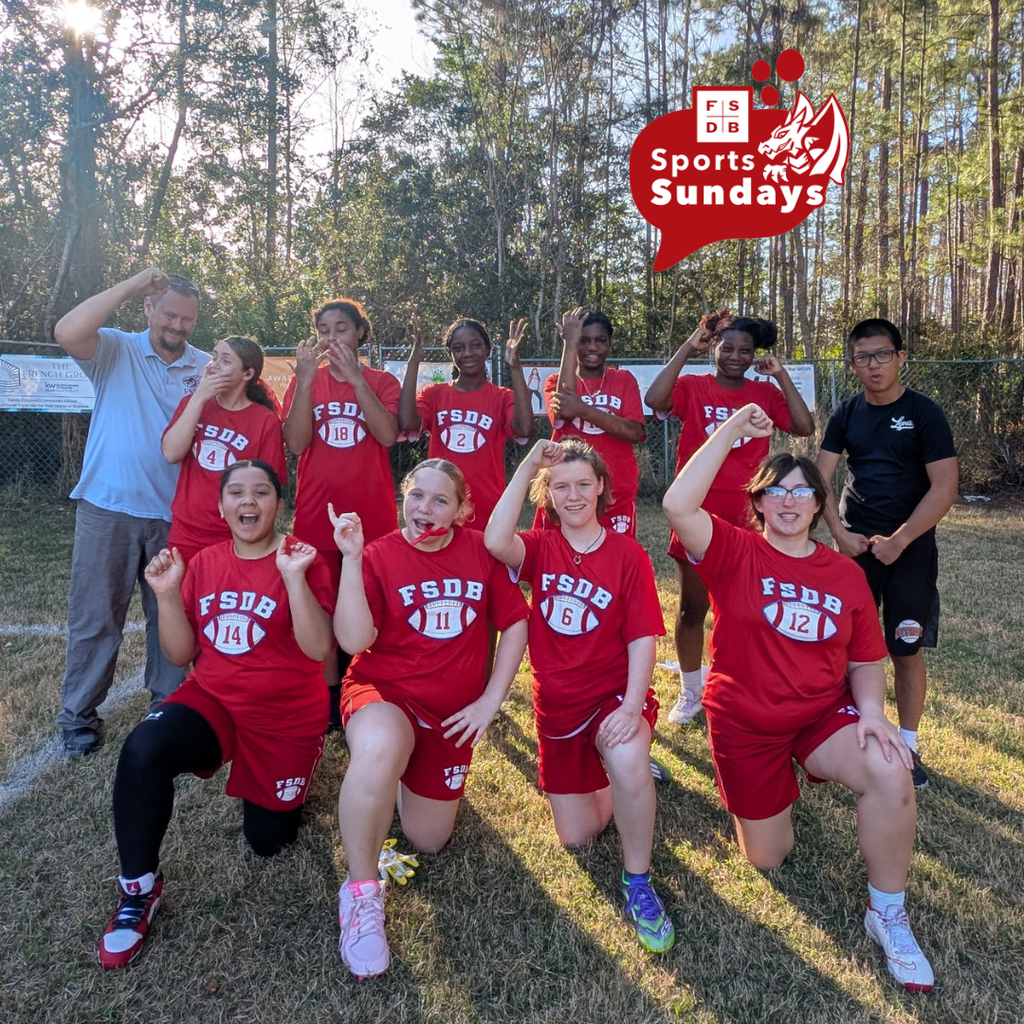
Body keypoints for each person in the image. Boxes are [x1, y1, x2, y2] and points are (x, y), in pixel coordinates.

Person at [663, 404, 933, 993]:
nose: (790, 501)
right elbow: (678, 505)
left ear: (818, 505)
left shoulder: (843, 574)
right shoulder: (733, 551)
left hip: (819, 715)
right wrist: (734, 428)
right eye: (777, 492)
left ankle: (886, 912)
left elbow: (864, 659)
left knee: (890, 768)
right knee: (767, 858)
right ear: (759, 502)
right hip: (745, 723)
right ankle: (769, 790)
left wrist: (872, 714)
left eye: (803, 492)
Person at [96, 460, 335, 969]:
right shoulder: (203, 563)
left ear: (279, 501)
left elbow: (318, 651)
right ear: (221, 504)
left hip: (285, 718)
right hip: (215, 701)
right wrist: (165, 596)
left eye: (262, 492)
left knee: (269, 841)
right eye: (237, 493)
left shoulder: (304, 559)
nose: (248, 502)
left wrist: (292, 579)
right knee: (144, 747)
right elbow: (181, 656)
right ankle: (138, 889)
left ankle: (292, 779)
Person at [330, 459, 529, 979]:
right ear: (404, 497)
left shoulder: (479, 552)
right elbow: (353, 642)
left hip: (449, 717)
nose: (426, 509)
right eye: (417, 496)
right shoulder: (376, 554)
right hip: (385, 693)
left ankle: (394, 779)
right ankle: (360, 893)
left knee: (428, 840)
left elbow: (516, 624)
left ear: (463, 510)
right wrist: (350, 560)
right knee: (378, 749)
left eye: (441, 501)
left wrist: (490, 701)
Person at [485, 438, 675, 954]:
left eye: (583, 485)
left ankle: (638, 880)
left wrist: (633, 706)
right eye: (561, 486)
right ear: (546, 495)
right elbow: (495, 538)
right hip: (557, 703)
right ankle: (618, 779)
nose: (573, 495)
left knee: (630, 755)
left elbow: (642, 637)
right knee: (577, 837)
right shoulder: (540, 547)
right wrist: (527, 465)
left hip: (612, 694)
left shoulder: (627, 553)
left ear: (601, 490)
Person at [54, 268, 210, 755]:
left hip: (176, 516)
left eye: (187, 319)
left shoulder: (205, 366)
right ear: (148, 308)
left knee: (170, 619)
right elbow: (66, 332)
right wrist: (133, 282)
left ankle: (168, 711)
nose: (178, 326)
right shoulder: (116, 349)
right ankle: (78, 717)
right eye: (169, 314)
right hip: (109, 507)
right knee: (96, 618)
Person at [645, 309, 814, 726]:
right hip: (696, 512)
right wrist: (688, 346)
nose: (735, 356)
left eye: (746, 350)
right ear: (714, 348)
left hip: (748, 516)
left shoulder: (764, 393)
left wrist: (780, 375)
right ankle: (691, 691)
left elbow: (804, 426)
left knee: (746, 608)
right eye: (728, 347)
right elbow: (654, 400)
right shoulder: (695, 386)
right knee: (692, 608)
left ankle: (739, 682)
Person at [816, 318, 958, 789]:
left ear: (901, 358)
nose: (872, 365)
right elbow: (822, 478)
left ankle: (909, 744)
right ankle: (845, 732)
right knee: (845, 645)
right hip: (856, 547)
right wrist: (839, 531)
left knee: (905, 647)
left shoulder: (925, 413)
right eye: (862, 357)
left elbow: (944, 487)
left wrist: (901, 538)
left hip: (910, 549)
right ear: (852, 363)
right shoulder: (846, 413)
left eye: (881, 355)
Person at [282, 298, 401, 729]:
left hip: (372, 516)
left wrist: (356, 380)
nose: (332, 338)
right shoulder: (306, 380)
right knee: (323, 602)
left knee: (369, 601)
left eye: (342, 329)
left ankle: (368, 686)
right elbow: (295, 444)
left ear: (360, 333)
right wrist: (307, 382)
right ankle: (330, 698)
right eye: (325, 330)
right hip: (318, 513)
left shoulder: (381, 380)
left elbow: (387, 436)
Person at [399, 315, 534, 529]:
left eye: (476, 345)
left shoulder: (502, 397)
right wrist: (414, 360)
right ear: (450, 353)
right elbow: (407, 423)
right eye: (459, 348)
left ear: (488, 350)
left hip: (487, 507)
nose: (468, 353)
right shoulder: (435, 394)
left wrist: (515, 367)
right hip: (440, 506)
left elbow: (525, 429)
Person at [162, 336, 286, 563]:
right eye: (214, 356)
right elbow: (171, 453)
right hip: (187, 531)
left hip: (236, 534)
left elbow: (269, 485)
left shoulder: (265, 420)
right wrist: (199, 397)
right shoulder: (192, 404)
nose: (214, 365)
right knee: (184, 597)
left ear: (247, 374)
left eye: (226, 360)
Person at [539, 309, 645, 538]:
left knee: (614, 563)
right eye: (583, 341)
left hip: (616, 489)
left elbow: (634, 432)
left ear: (610, 343)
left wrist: (584, 410)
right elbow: (563, 414)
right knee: (558, 561)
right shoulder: (555, 381)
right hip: (568, 491)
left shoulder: (623, 380)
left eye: (600, 340)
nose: (592, 348)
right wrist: (569, 343)